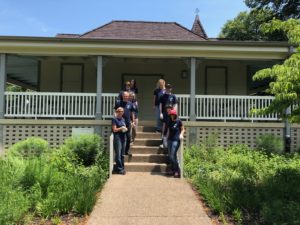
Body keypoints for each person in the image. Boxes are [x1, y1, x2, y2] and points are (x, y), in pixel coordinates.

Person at [166, 109, 184, 178]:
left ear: (175, 115)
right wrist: (166, 137)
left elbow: (182, 129)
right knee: (170, 156)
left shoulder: (178, 121)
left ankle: (177, 171)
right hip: (169, 139)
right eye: (171, 115)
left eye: (173, 115)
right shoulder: (169, 121)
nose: (172, 116)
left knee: (173, 154)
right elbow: (168, 129)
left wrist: (181, 134)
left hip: (176, 140)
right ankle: (173, 170)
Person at [111, 107, 127, 175]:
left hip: (123, 137)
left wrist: (125, 129)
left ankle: (122, 168)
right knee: (118, 154)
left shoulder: (123, 119)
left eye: (122, 111)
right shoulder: (114, 119)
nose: (121, 112)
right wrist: (121, 128)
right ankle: (119, 169)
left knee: (122, 154)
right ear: (117, 112)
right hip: (118, 138)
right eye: (119, 111)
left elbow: (125, 127)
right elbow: (114, 130)